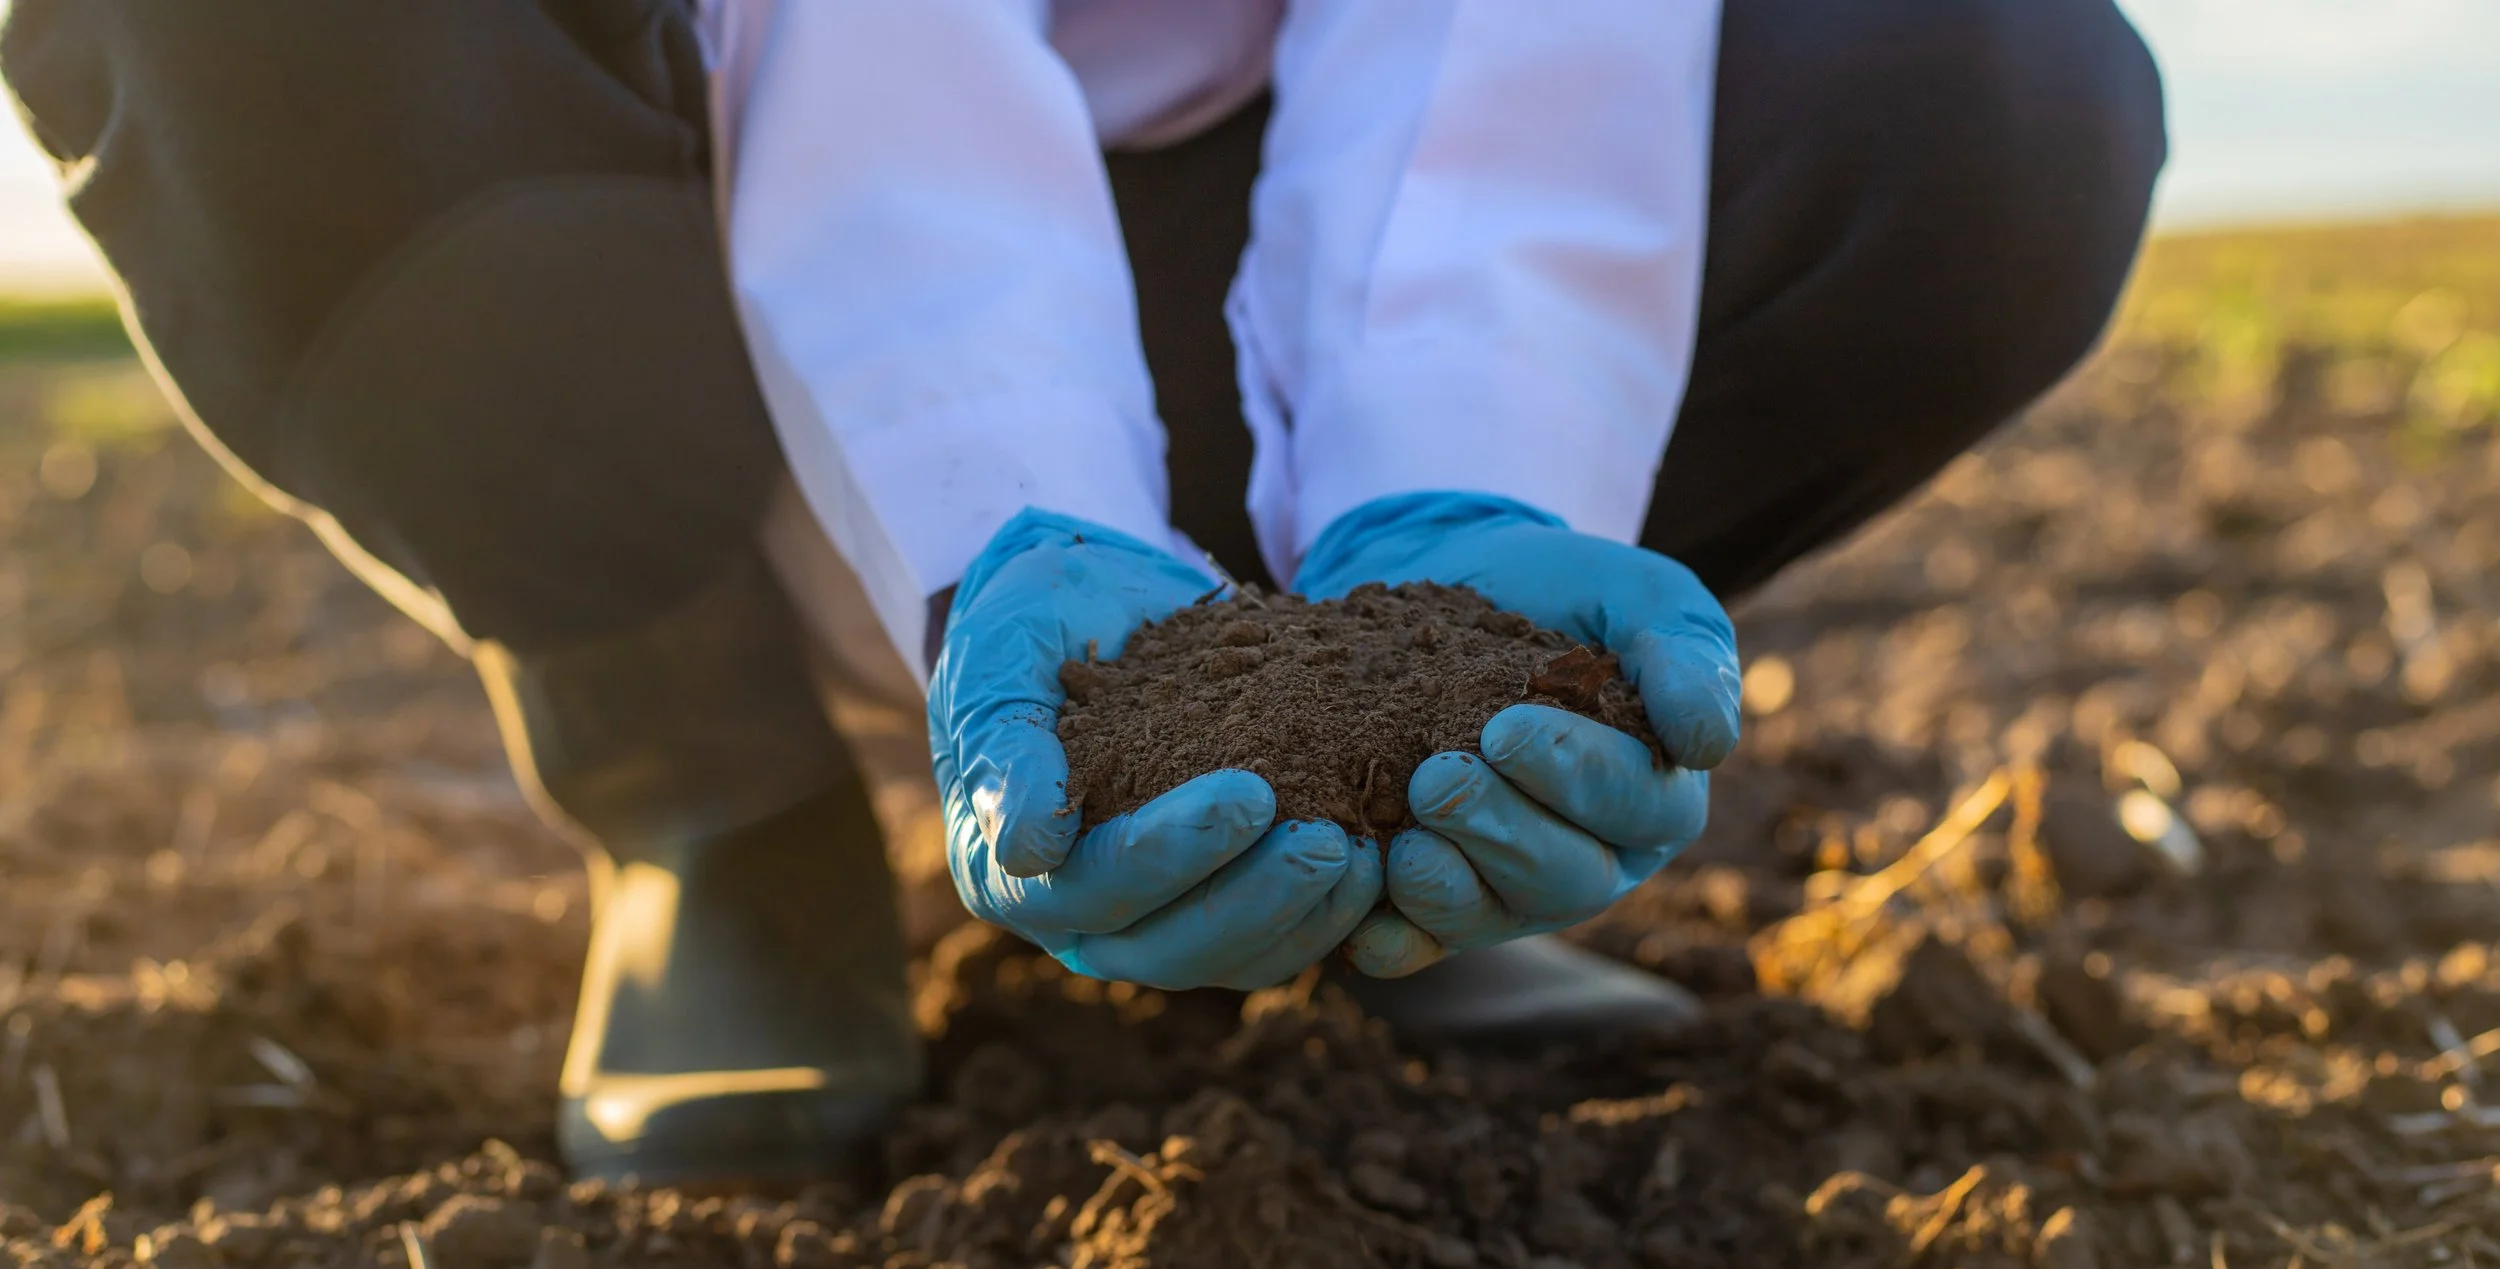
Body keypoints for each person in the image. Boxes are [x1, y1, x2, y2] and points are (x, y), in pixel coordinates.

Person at [2, 0, 2164, 1189]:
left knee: (1981, 82)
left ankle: (1398, 800)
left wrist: (1454, 489)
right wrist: (1009, 508)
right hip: (646, 198)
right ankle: (706, 803)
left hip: (1256, 222)